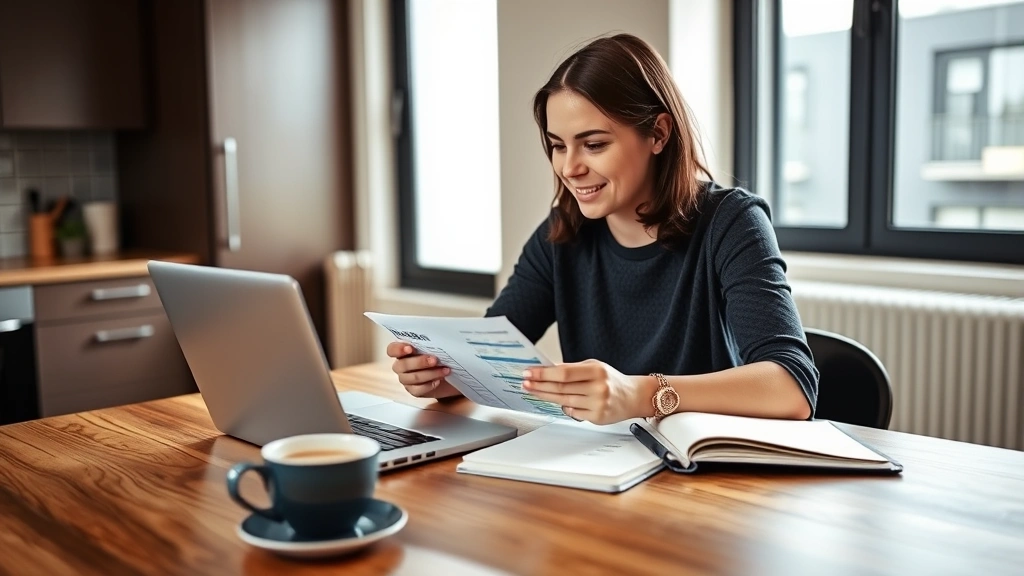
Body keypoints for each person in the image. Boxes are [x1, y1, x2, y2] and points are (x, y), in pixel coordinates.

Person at [386, 33, 818, 425]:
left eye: (593, 144)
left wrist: (641, 393)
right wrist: (443, 376)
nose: (570, 168)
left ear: (658, 133)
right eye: (558, 146)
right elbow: (487, 358)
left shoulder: (732, 222)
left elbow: (792, 388)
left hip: (705, 480)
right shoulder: (562, 233)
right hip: (601, 473)